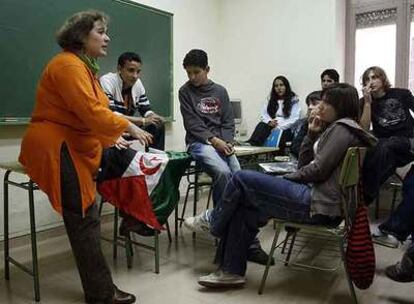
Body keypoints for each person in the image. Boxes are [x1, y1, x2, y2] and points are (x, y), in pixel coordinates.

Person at [184, 83, 377, 288]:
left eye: (326, 101)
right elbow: (306, 165)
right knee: (244, 207)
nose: (320, 106)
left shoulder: (342, 128)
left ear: (340, 105)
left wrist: (286, 179)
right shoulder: (337, 128)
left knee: (241, 178)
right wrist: (311, 135)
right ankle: (231, 271)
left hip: (318, 204)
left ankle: (214, 222)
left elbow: (318, 170)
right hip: (319, 201)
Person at [19, 11, 152, 304]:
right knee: (84, 216)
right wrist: (128, 125)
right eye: (101, 32)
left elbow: (91, 113)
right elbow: (92, 113)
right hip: (56, 146)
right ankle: (102, 294)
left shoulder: (82, 67)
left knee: (87, 214)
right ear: (81, 36)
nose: (107, 38)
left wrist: (112, 135)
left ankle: (101, 288)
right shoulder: (67, 65)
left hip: (72, 144)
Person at [178, 49, 271, 265]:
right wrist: (214, 141)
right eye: (188, 73)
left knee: (240, 180)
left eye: (196, 72)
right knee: (222, 172)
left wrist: (227, 141)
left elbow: (228, 121)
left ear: (207, 70)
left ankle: (225, 231)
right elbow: (193, 124)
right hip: (200, 143)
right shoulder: (185, 92)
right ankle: (237, 239)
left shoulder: (220, 91)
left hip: (223, 143)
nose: (192, 77)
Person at [359, 66, 414, 204]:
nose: (371, 82)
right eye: (367, 79)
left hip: (407, 141)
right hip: (387, 148)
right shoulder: (364, 101)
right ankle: (364, 196)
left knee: (386, 145)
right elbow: (364, 130)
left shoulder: (401, 94)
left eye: (375, 77)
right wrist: (367, 103)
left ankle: (364, 197)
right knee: (379, 152)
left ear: (383, 79)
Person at [100, 51, 165, 150]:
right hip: (111, 128)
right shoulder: (107, 81)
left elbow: (146, 109)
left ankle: (155, 160)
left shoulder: (137, 83)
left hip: (128, 128)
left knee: (157, 125)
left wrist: (153, 116)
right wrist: (142, 121)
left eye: (138, 71)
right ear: (119, 69)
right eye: (131, 70)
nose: (135, 76)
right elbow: (111, 115)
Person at [246, 76, 300, 148]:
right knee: (261, 125)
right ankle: (251, 145)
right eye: (276, 86)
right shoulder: (271, 100)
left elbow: (294, 119)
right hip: (272, 126)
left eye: (281, 85)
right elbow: (264, 114)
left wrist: (279, 126)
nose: (279, 88)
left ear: (286, 86)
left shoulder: (293, 101)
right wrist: (269, 122)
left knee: (281, 134)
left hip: (286, 129)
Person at [290, 90, 322, 158]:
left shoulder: (331, 125)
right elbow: (295, 147)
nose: (310, 107)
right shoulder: (307, 122)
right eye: (308, 104)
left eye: (314, 104)